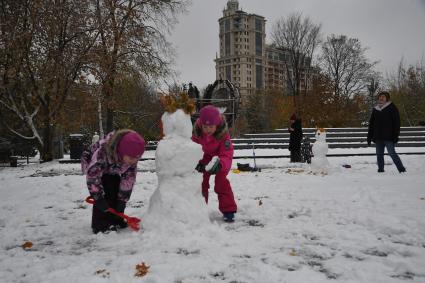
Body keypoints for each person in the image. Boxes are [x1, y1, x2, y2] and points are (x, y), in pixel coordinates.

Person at [82, 129, 145, 233]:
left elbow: (128, 179)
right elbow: (93, 176)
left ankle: (116, 218)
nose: (133, 161)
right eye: (131, 157)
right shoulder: (103, 153)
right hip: (94, 166)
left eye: (137, 158)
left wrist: (122, 200)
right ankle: (101, 224)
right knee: (107, 188)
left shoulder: (131, 159)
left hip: (113, 167)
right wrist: (98, 198)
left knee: (117, 188)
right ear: (122, 151)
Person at [192, 105, 237, 222]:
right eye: (205, 127)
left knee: (221, 183)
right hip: (204, 157)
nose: (207, 130)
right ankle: (199, 208)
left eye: (211, 126)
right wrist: (195, 162)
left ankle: (228, 210)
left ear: (217, 124)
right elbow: (193, 149)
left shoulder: (223, 134)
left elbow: (227, 153)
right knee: (200, 182)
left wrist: (221, 164)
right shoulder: (197, 133)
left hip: (220, 159)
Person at [367, 91, 406, 173]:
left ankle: (401, 170)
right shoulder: (375, 109)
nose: (381, 98)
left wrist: (396, 136)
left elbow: (397, 123)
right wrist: (369, 137)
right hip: (378, 137)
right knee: (379, 154)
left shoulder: (392, 107)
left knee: (392, 153)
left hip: (389, 137)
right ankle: (380, 170)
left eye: (383, 97)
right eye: (380, 96)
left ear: (387, 99)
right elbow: (372, 124)